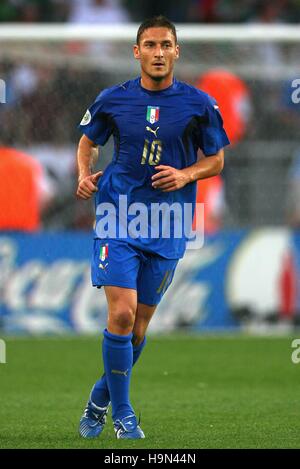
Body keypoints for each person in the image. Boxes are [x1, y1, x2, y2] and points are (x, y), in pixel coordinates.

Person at [76, 15, 229, 440]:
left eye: (165, 45)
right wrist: (84, 174)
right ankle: (125, 415)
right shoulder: (113, 99)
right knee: (121, 315)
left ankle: (100, 398)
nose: (158, 52)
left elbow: (216, 160)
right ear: (136, 52)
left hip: (168, 223)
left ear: (176, 51)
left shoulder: (200, 104)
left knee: (138, 328)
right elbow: (88, 141)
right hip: (118, 217)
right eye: (150, 45)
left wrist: (185, 175)